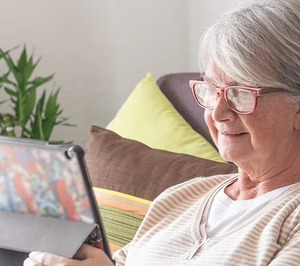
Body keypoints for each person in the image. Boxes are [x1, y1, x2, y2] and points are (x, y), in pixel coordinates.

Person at [24, 0, 300, 265]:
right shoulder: (181, 197)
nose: (217, 113)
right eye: (212, 90)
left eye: (240, 94)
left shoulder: (292, 216)